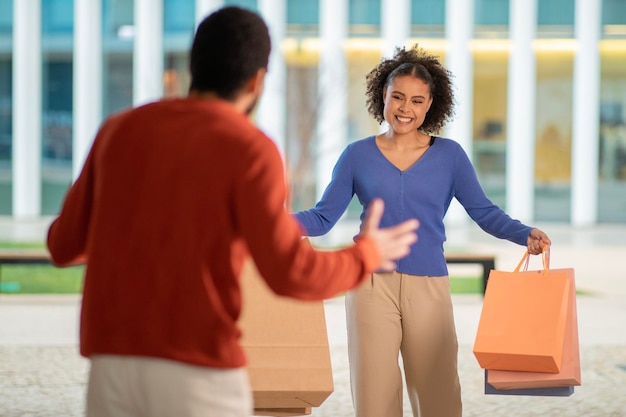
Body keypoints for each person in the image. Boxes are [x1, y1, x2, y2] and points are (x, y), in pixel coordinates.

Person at [46, 7, 419, 417]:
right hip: (199, 370)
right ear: (257, 80)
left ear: (193, 65)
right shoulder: (250, 149)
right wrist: (365, 255)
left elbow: (64, 246)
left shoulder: (118, 131)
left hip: (111, 364)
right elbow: (289, 273)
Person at [293, 44, 551, 417]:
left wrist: (523, 233)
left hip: (429, 284)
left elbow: (483, 211)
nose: (404, 109)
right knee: (374, 399)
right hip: (369, 286)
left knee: (439, 397)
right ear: (383, 95)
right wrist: (270, 221)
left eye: (416, 101)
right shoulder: (356, 155)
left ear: (430, 105)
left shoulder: (450, 156)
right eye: (397, 97)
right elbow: (322, 217)